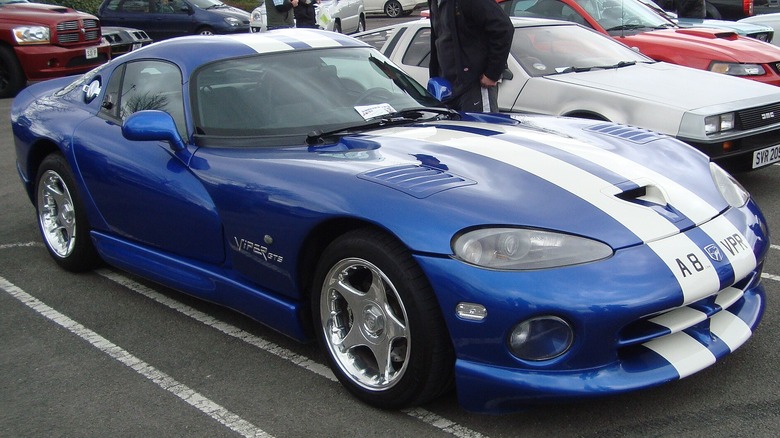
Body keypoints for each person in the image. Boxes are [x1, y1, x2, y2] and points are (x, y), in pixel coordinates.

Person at [428, 0, 514, 112]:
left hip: (474, 84)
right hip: (447, 87)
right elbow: (438, 39)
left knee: (481, 127)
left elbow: (503, 28)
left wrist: (492, 74)